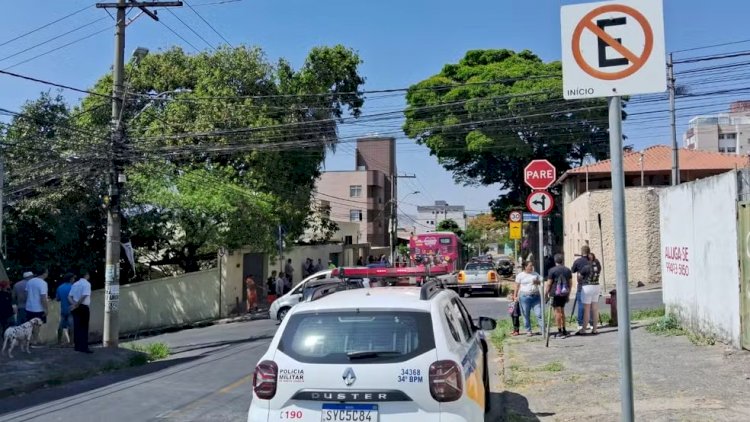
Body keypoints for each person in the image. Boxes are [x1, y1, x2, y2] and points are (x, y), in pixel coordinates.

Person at [514, 261, 545, 336]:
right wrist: (515, 296)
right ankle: (528, 330)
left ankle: (543, 330)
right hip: (524, 297)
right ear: (525, 267)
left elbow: (542, 281)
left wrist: (537, 282)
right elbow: (517, 286)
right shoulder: (520, 275)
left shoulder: (535, 274)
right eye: (530, 266)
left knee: (539, 314)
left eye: (532, 266)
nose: (532, 267)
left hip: (535, 296)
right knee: (526, 314)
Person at [545, 254, 573, 338]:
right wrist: (568, 294)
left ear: (555, 261)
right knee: (562, 311)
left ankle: (559, 330)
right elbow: (570, 284)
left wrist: (546, 294)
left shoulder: (552, 270)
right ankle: (564, 329)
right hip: (564, 293)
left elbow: (549, 283)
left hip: (555, 293)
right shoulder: (567, 270)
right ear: (562, 260)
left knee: (557, 312)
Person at [69, 270, 93, 353]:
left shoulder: (75, 284)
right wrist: (77, 304)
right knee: (84, 327)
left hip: (75, 307)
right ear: (86, 274)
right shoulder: (86, 284)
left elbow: (69, 296)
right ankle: (84, 347)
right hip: (83, 307)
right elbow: (84, 295)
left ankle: (77, 346)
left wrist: (74, 304)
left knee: (77, 326)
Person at [571, 245, 592, 331]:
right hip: (591, 285)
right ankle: (591, 323)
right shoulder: (592, 261)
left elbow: (572, 270)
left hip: (581, 286)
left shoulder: (578, 261)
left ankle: (580, 323)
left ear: (581, 252)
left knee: (581, 305)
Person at [582, 252, 602, 335]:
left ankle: (583, 329)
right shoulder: (598, 266)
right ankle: (594, 329)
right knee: (595, 309)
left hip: (587, 286)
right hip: (596, 286)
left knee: (587, 309)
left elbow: (581, 275)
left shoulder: (586, 267)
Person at [55, 273, 75, 345]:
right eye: (73, 278)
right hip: (72, 309)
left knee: (61, 325)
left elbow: (57, 299)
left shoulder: (60, 287)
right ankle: (71, 342)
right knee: (71, 325)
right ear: (70, 279)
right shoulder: (73, 287)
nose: (74, 280)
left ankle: (59, 341)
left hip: (63, 309)